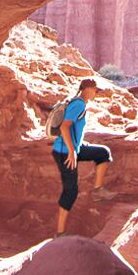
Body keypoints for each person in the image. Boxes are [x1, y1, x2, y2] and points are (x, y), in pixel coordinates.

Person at [52, 77, 115, 237]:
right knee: (71, 191)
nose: (96, 94)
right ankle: (60, 233)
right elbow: (65, 127)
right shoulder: (79, 104)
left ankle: (97, 191)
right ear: (87, 89)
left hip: (73, 148)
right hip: (64, 152)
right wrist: (72, 151)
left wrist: (77, 146)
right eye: (95, 90)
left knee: (103, 153)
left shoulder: (80, 103)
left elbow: (73, 128)